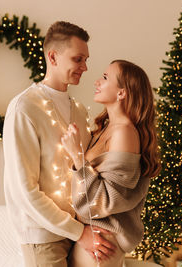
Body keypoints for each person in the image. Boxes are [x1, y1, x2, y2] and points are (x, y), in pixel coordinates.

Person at [3, 21, 116, 267]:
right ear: (53, 57)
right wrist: (79, 232)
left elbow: (84, 171)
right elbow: (25, 192)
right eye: (78, 59)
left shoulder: (78, 110)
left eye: (86, 59)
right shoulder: (24, 108)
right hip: (43, 237)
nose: (85, 67)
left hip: (80, 231)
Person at [61, 59, 161, 267]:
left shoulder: (124, 133)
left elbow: (108, 200)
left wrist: (77, 157)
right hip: (92, 241)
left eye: (105, 78)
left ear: (122, 93)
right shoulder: (106, 128)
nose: (97, 81)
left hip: (102, 246)